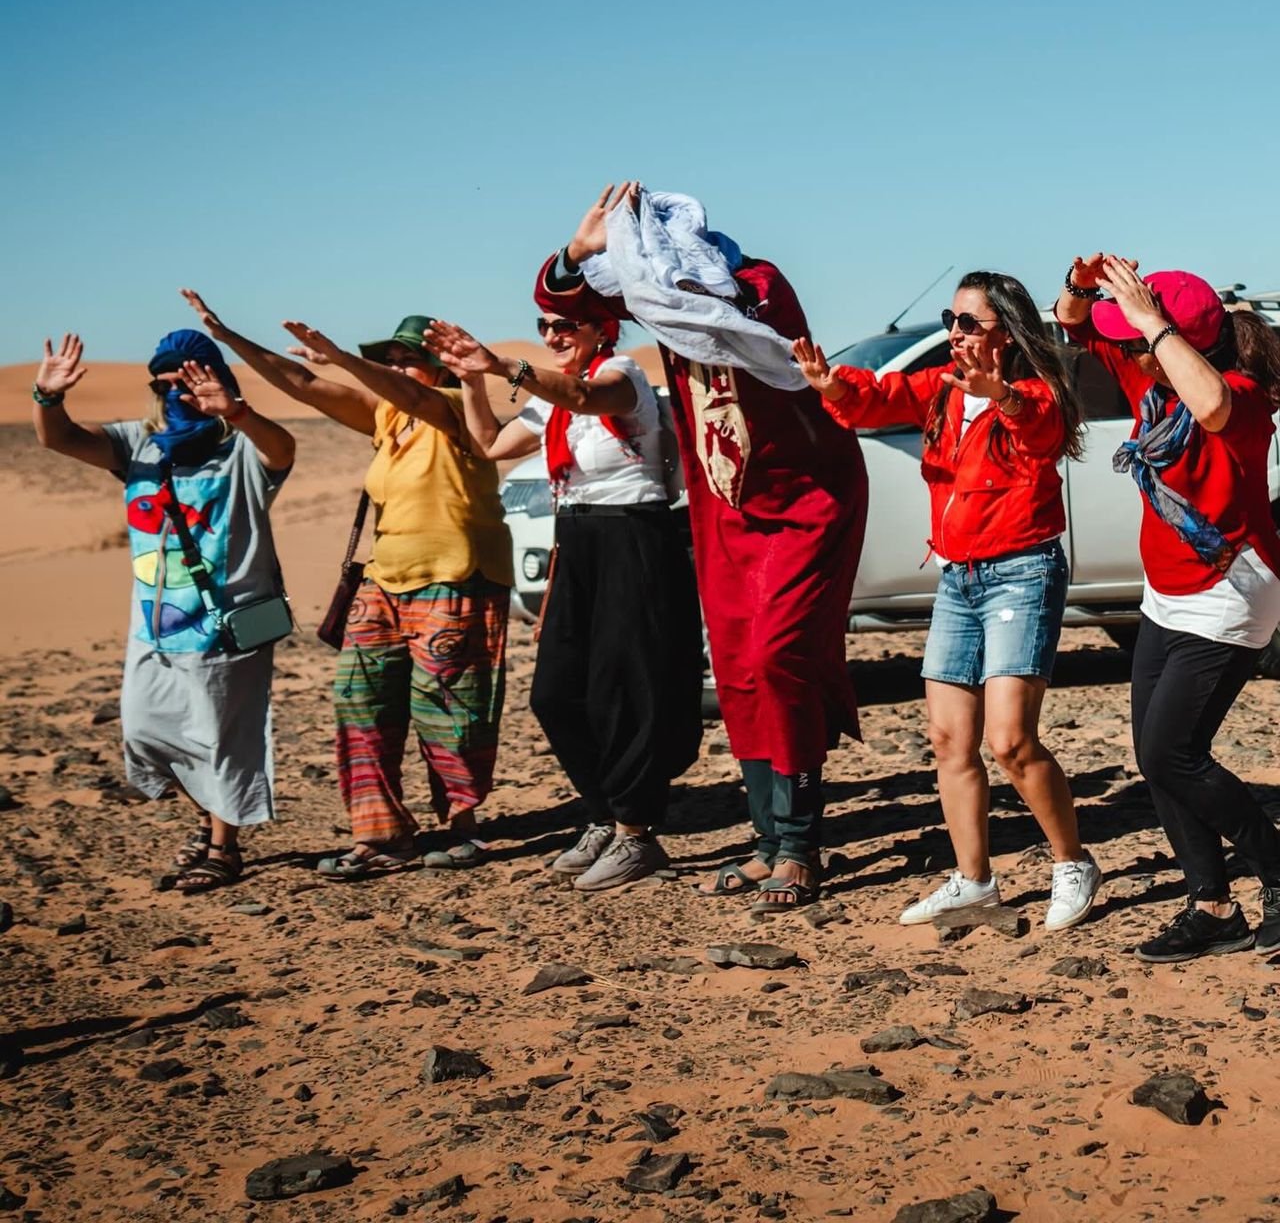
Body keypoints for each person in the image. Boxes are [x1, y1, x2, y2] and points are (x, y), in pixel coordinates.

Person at [535, 184, 868, 912]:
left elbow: (716, 315)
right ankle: (765, 844)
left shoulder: (752, 286)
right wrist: (579, 251)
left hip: (806, 501)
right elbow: (571, 300)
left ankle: (801, 845)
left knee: (782, 658)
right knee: (742, 670)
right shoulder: (654, 298)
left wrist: (653, 278)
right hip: (725, 512)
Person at [796, 270, 1101, 932]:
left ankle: (1073, 862)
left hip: (1022, 574)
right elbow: (873, 399)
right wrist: (827, 380)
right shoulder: (939, 390)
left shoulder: (1033, 393)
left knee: (1011, 741)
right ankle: (974, 881)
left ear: (1006, 335)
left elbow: (1042, 431)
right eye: (951, 319)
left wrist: (1004, 400)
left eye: (969, 323)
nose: (954, 333)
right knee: (947, 738)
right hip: (959, 581)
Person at [178, 290, 513, 876]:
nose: (396, 369)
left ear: (437, 368)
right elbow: (303, 385)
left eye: (405, 358)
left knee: (450, 709)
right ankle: (380, 836)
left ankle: (462, 826)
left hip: (456, 578)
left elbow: (407, 390)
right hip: (384, 580)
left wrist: (343, 357)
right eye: (389, 358)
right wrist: (231, 337)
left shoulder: (455, 406)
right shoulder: (387, 415)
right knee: (360, 701)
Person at [424, 308, 704, 890]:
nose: (552, 336)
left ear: (600, 329)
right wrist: (473, 379)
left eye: (564, 325)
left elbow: (583, 396)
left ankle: (636, 834)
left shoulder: (620, 375)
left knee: (623, 688)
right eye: (544, 326)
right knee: (555, 692)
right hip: (576, 539)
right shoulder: (549, 396)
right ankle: (604, 812)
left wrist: (503, 363)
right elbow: (489, 443)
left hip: (633, 534)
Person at [1056, 256, 1280, 961]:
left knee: (1171, 754)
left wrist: (1151, 323)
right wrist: (1081, 282)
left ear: (1172, 337)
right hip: (1167, 596)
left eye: (1138, 339)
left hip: (1229, 595)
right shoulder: (1147, 376)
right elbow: (1071, 321)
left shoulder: (1240, 395)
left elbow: (1210, 404)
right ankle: (1211, 906)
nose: (1122, 350)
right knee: (1158, 761)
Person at [32, 329, 295, 892]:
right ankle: (207, 820)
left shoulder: (240, 449)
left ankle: (223, 849)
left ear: (218, 379)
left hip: (227, 624)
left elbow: (283, 450)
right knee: (146, 731)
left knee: (221, 739)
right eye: (166, 380)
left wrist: (240, 413)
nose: (178, 390)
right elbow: (60, 440)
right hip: (152, 628)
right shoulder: (138, 446)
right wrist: (47, 397)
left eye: (192, 378)